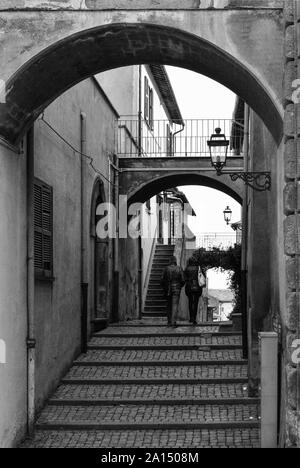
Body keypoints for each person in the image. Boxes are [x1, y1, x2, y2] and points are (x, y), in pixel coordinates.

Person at [161, 256, 185, 327]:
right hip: (176, 289)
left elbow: (161, 280)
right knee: (175, 305)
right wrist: (179, 286)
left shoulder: (166, 269)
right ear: (175, 261)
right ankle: (173, 322)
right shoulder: (179, 268)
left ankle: (169, 322)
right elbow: (183, 280)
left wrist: (164, 287)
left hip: (168, 288)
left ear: (170, 261)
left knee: (168, 305)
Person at [184, 257, 204, 325]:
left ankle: (191, 318)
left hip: (189, 287)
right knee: (195, 303)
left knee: (190, 302)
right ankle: (194, 319)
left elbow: (184, 278)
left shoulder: (187, 268)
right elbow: (202, 276)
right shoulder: (199, 268)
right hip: (197, 287)